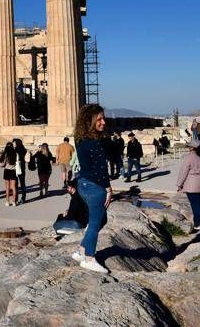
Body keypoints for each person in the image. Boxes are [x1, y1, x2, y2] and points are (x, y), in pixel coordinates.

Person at [73, 103, 113, 274]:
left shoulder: (80, 138)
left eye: (103, 118)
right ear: (90, 120)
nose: (104, 122)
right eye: (100, 119)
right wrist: (108, 188)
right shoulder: (95, 142)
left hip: (83, 183)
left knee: (96, 221)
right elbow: (99, 169)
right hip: (95, 186)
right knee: (96, 223)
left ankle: (81, 250)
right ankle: (89, 258)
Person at [177, 141, 200, 231]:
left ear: (192, 148)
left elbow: (183, 172)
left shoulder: (190, 157)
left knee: (195, 204)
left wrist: (179, 184)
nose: (188, 148)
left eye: (189, 147)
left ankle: (198, 223)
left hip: (192, 184)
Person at [0, 142, 18, 206]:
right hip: (13, 171)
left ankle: (7, 201)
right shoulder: (16, 153)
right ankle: (14, 202)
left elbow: (3, 164)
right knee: (13, 187)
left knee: (7, 187)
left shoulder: (6, 154)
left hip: (7, 171)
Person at [13, 138, 28, 204]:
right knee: (22, 184)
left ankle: (15, 199)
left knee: (15, 185)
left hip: (16, 168)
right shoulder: (23, 149)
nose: (13, 143)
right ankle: (23, 198)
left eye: (14, 142)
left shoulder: (15, 150)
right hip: (22, 168)